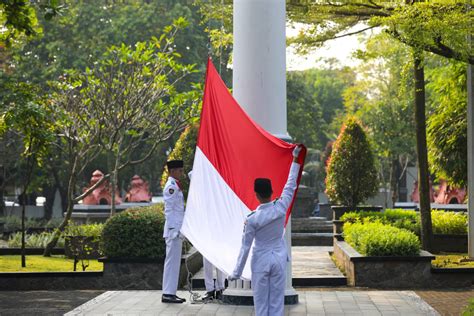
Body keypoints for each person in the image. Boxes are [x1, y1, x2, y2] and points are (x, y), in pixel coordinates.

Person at [229, 145, 302, 316]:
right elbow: (291, 184)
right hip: (278, 258)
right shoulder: (281, 206)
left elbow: (245, 248)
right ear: (272, 192)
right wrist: (295, 159)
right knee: (277, 304)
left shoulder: (252, 219)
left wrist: (236, 272)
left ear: (256, 194)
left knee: (261, 305)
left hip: (261, 260)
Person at [187, 169, 226, 302]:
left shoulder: (220, 177)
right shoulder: (202, 175)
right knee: (207, 259)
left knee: (219, 257)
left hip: (219, 224)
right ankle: (210, 289)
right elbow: (191, 174)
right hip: (207, 224)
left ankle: (221, 288)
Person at [162, 159, 187, 304]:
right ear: (172, 171)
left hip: (176, 229)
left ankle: (170, 292)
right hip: (173, 231)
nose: (182, 173)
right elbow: (169, 210)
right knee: (171, 263)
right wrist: (173, 229)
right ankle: (168, 293)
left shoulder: (175, 185)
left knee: (174, 263)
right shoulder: (171, 187)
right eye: (180, 170)